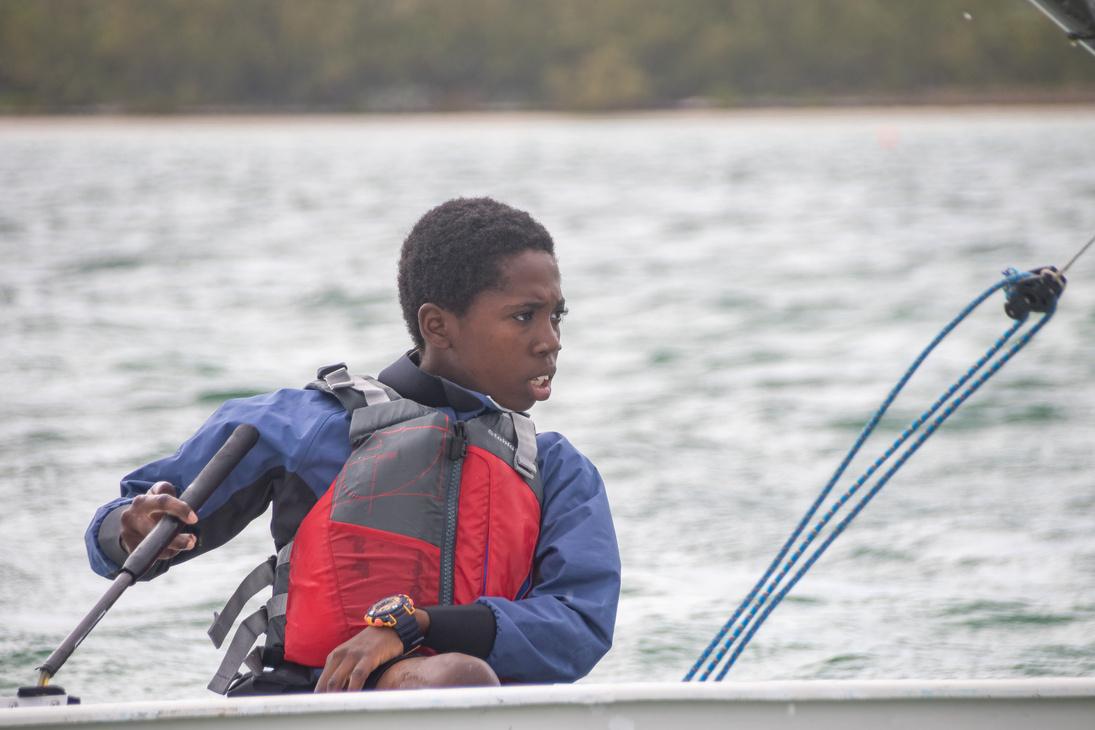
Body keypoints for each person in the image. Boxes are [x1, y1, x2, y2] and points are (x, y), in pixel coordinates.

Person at [83, 197, 621, 693]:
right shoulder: (307, 425)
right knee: (458, 676)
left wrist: (414, 627)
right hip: (307, 698)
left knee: (460, 675)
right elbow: (116, 531)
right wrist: (132, 529)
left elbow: (579, 626)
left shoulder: (553, 469)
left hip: (474, 698)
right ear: (438, 326)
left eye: (557, 316)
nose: (550, 339)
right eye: (524, 316)